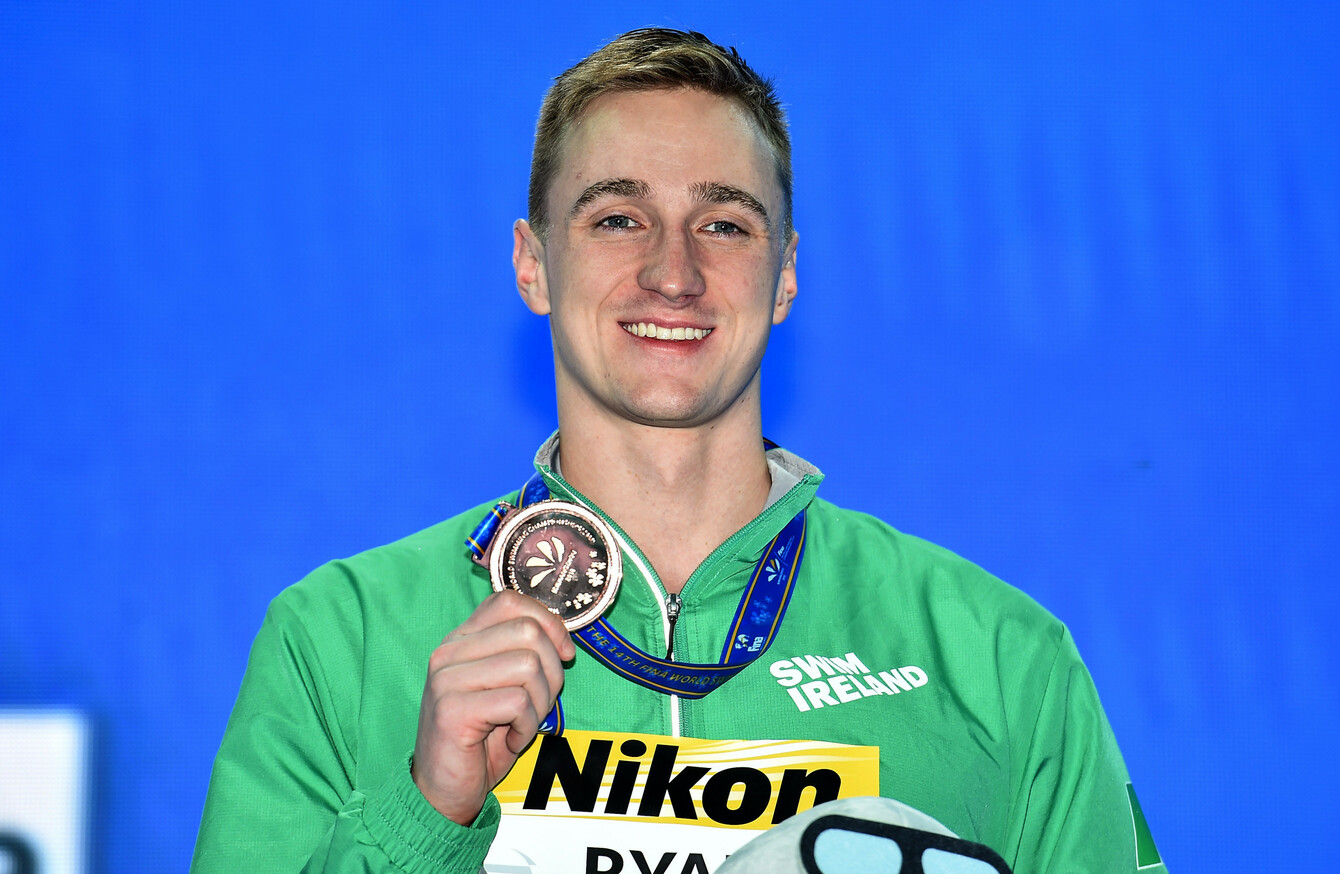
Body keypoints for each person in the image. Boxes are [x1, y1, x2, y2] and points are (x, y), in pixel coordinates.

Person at [192, 28, 1165, 874]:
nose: (673, 271)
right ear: (533, 263)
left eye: (724, 223)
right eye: (617, 218)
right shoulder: (339, 640)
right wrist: (423, 814)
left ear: (783, 275)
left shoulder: (993, 656)